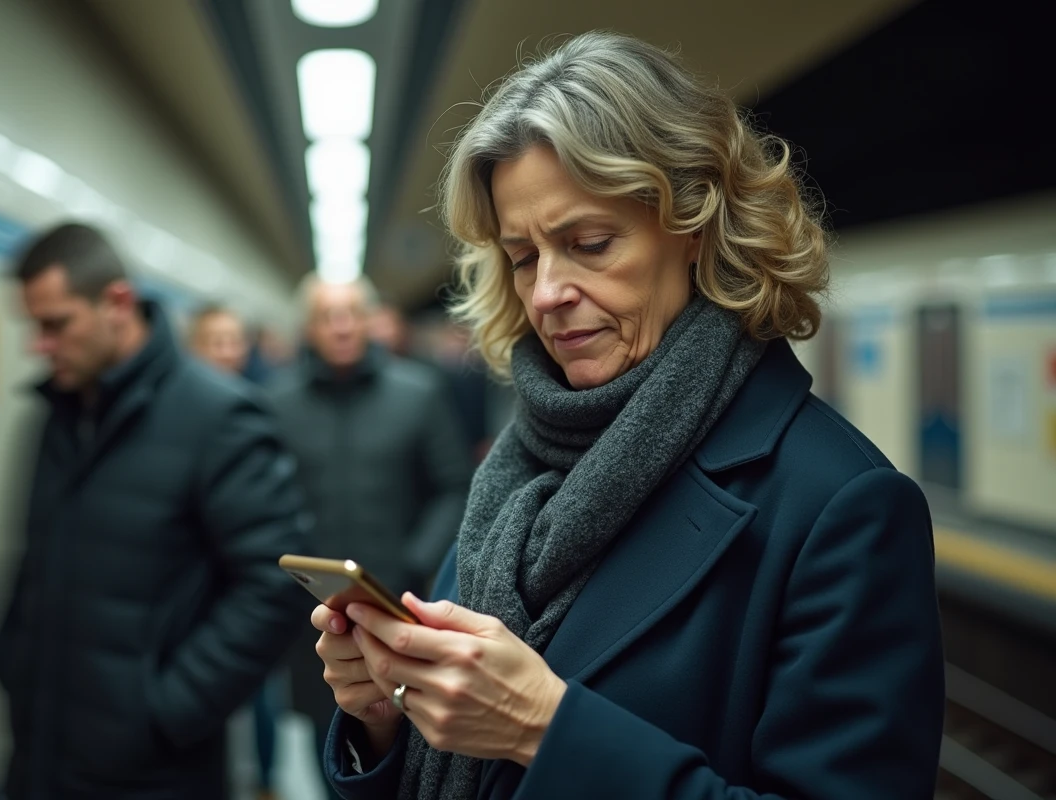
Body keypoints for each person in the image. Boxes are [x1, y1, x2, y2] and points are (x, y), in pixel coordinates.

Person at [309, 31, 945, 800]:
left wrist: (544, 729)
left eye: (590, 243)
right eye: (522, 256)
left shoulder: (841, 505)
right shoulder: (516, 468)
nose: (545, 292)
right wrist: (385, 714)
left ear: (697, 227)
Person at [0, 223, 311, 800]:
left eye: (55, 324)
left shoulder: (219, 416)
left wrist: (168, 710)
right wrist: (7, 657)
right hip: (41, 751)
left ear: (116, 302)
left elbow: (275, 581)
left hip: (154, 773)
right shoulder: (59, 415)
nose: (39, 345)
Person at [267, 274, 472, 796]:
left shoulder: (417, 393)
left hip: (404, 606)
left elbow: (453, 486)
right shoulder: (276, 404)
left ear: (370, 320)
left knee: (411, 740)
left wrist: (415, 559)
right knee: (329, 745)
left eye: (351, 313)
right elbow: (262, 501)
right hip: (316, 618)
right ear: (308, 329)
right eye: (326, 316)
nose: (341, 327)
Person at [185, 303, 286, 800]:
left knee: (260, 693)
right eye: (215, 341)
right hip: (193, 593)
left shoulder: (259, 410)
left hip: (244, 588)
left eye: (234, 341)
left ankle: (266, 780)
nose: (227, 352)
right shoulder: (174, 421)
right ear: (193, 347)